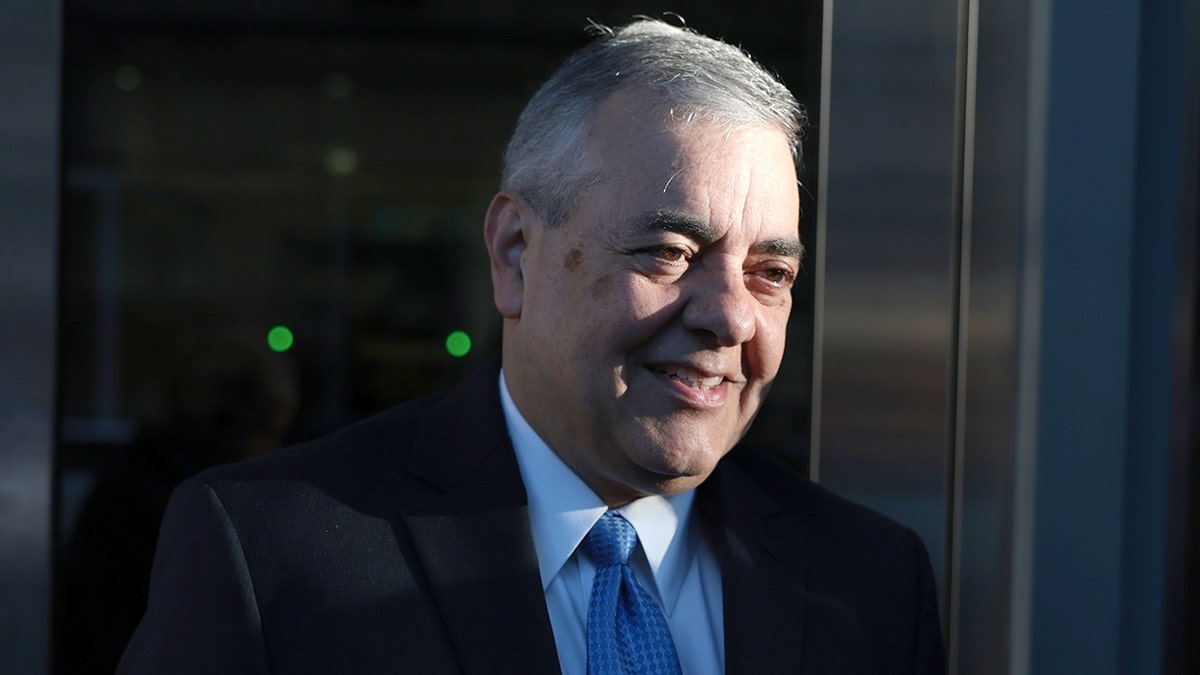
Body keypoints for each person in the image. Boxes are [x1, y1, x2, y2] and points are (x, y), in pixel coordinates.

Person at [119, 19, 945, 674]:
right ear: (516, 252)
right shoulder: (270, 556)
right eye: (669, 251)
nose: (730, 317)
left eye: (770, 272)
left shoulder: (868, 582)